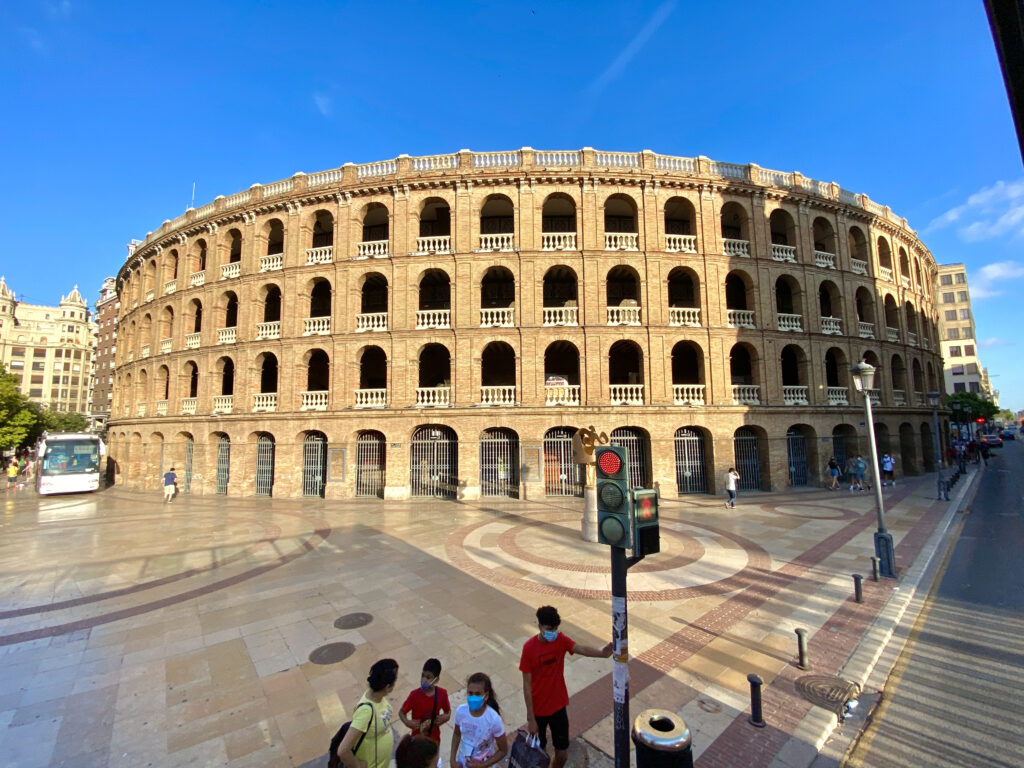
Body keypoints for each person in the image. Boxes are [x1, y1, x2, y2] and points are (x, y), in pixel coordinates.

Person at [520, 606, 613, 768]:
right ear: (540, 626)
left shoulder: (560, 640)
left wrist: (602, 654)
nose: (554, 632)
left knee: (562, 753)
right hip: (538, 710)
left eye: (556, 629)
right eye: (550, 629)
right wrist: (530, 718)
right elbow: (526, 685)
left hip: (558, 706)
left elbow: (580, 649)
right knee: (538, 755)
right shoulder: (529, 649)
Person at [338, 658, 399, 768]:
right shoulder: (366, 711)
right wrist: (358, 766)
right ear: (387, 687)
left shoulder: (378, 696)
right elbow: (343, 750)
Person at [450, 672, 507, 768]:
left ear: (486, 695)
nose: (473, 697)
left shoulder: (493, 719)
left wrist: (482, 765)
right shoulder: (461, 711)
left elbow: (503, 750)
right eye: (470, 693)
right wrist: (452, 760)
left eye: (477, 694)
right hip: (463, 763)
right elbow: (456, 734)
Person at [400, 658, 451, 745]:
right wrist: (407, 722)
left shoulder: (442, 694)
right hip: (417, 741)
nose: (424, 680)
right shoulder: (414, 695)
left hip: (434, 741)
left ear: (436, 680)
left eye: (428, 677)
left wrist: (446, 717)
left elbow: (448, 711)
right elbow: (401, 712)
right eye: (422, 676)